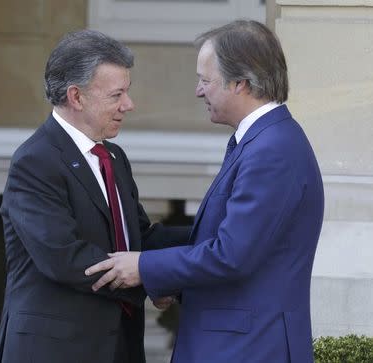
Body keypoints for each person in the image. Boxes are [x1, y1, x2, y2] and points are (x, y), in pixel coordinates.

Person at [86, 20, 324, 363]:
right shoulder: (265, 140)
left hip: (248, 348)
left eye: (205, 80)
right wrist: (173, 279)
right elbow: (240, 244)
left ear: (240, 82)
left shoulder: (272, 149)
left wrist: (145, 267)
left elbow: (232, 254)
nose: (198, 91)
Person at [0, 29, 190, 363]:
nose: (129, 105)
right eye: (117, 95)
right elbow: (67, 259)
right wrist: (154, 277)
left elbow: (137, 239)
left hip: (119, 346)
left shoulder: (113, 157)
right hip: (55, 351)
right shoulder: (36, 161)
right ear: (76, 97)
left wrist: (215, 234)